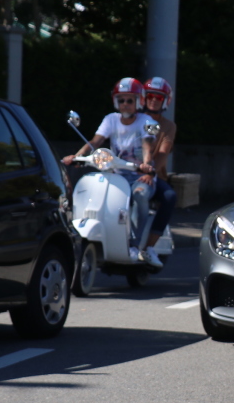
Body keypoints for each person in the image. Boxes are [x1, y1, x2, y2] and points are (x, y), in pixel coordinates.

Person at [63, 78, 156, 262]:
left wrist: (146, 166)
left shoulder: (146, 120)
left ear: (139, 101)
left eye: (130, 100)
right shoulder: (110, 119)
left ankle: (135, 245)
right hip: (116, 174)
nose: (125, 104)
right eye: (121, 100)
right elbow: (96, 141)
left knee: (140, 195)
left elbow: (147, 145)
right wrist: (77, 156)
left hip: (139, 176)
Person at [139, 76, 178, 267]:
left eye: (159, 97)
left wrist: (151, 172)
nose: (154, 100)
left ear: (165, 101)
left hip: (153, 176)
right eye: (150, 96)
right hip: (126, 172)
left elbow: (163, 153)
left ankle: (149, 247)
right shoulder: (131, 118)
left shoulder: (169, 126)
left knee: (170, 196)